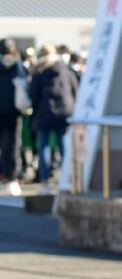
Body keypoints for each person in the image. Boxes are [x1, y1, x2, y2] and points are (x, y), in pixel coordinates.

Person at [28, 44, 77, 187]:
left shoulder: (39, 71)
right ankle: (67, 179)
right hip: (65, 112)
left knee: (44, 147)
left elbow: (33, 95)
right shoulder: (65, 69)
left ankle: (44, 181)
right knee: (63, 146)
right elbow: (75, 89)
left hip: (44, 113)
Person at [0, 39, 27, 196]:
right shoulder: (18, 66)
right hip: (14, 111)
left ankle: (4, 175)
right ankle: (12, 178)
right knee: (13, 145)